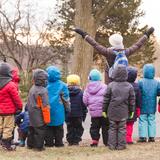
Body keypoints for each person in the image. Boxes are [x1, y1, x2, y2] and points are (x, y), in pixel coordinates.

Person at [74, 27, 154, 83]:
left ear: (112, 43)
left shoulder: (108, 52)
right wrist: (146, 35)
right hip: (122, 80)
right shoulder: (126, 52)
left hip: (110, 79)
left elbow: (95, 44)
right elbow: (137, 45)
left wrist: (84, 35)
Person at [103, 64, 135, 150]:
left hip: (112, 111)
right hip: (123, 111)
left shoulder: (110, 85)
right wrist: (132, 111)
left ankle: (112, 146)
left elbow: (106, 99)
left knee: (112, 128)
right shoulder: (129, 86)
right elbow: (132, 101)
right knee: (122, 129)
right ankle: (121, 146)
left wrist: (104, 110)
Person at [45, 66, 70, 147]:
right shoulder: (62, 85)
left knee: (48, 127)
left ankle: (49, 143)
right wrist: (68, 109)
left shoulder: (45, 84)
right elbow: (65, 99)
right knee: (59, 127)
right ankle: (59, 143)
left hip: (47, 109)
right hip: (59, 109)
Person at [0, 62, 22, 151]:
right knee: (8, 128)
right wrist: (19, 107)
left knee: (0, 126)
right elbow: (16, 98)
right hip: (8, 112)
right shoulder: (11, 85)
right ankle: (7, 145)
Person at [83, 69, 108, 147]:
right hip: (104, 112)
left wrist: (88, 105)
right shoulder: (105, 87)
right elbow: (108, 97)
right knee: (106, 127)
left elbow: (85, 100)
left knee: (94, 127)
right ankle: (107, 141)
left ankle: (94, 141)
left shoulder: (87, 88)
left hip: (94, 113)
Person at [27, 69, 49, 151]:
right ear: (42, 80)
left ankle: (30, 145)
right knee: (40, 130)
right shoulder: (43, 91)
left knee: (32, 129)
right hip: (39, 114)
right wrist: (47, 119)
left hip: (31, 113)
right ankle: (38, 147)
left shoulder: (32, 88)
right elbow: (45, 105)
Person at [138, 64, 160, 142]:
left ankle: (143, 137)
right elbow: (158, 93)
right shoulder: (156, 83)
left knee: (142, 120)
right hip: (152, 106)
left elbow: (138, 93)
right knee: (151, 120)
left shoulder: (140, 82)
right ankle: (151, 137)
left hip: (143, 105)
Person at [66, 74, 87, 146]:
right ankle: (76, 140)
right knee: (78, 127)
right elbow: (83, 104)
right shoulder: (81, 93)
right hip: (78, 114)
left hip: (69, 114)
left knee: (70, 127)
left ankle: (70, 141)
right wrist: (84, 114)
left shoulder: (66, 92)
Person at [126, 67, 141, 144]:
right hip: (133, 109)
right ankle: (128, 138)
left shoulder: (123, 85)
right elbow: (139, 99)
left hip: (124, 108)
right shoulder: (137, 86)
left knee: (123, 124)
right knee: (130, 125)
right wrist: (138, 109)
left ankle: (122, 138)